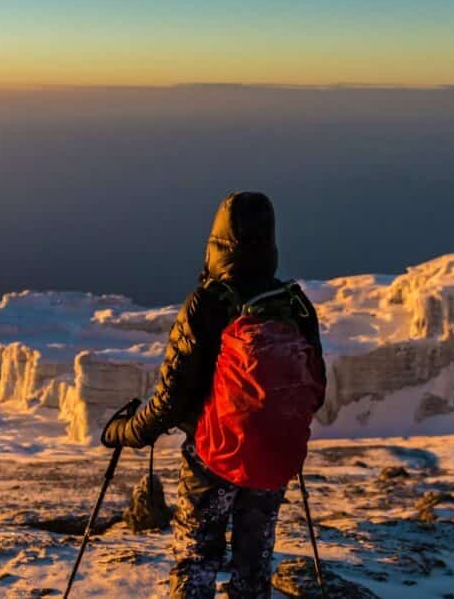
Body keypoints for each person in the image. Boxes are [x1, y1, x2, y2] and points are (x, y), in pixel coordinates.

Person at [102, 191, 326, 599]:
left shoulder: (206, 303)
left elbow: (170, 400)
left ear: (218, 243)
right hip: (272, 460)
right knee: (253, 567)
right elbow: (316, 391)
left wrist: (124, 432)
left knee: (196, 561)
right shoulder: (295, 304)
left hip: (213, 457)